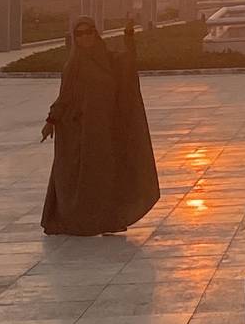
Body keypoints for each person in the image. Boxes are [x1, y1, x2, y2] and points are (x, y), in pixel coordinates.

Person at [41, 17, 159, 236]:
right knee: (83, 179)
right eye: (80, 34)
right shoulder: (74, 65)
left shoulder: (108, 59)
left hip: (105, 130)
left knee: (105, 176)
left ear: (96, 34)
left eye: (89, 32)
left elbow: (128, 66)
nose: (85, 37)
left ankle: (106, 220)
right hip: (80, 131)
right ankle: (80, 221)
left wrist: (129, 37)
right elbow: (64, 97)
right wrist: (51, 120)